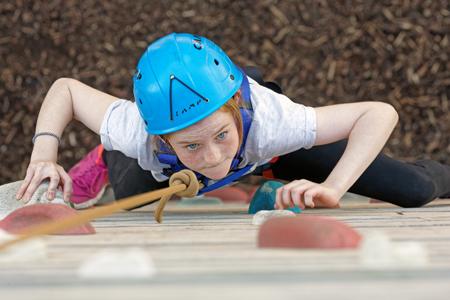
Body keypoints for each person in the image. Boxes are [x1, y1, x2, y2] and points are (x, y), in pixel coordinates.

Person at [15, 32, 450, 211]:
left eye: (221, 135)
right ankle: (105, 157)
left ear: (240, 111)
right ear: (160, 137)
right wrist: (44, 154)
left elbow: (379, 113)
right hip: (168, 169)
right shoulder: (136, 130)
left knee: (415, 190)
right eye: (192, 145)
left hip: (270, 153)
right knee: (130, 196)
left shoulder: (274, 120)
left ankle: (261, 167)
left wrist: (332, 187)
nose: (212, 156)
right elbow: (66, 90)